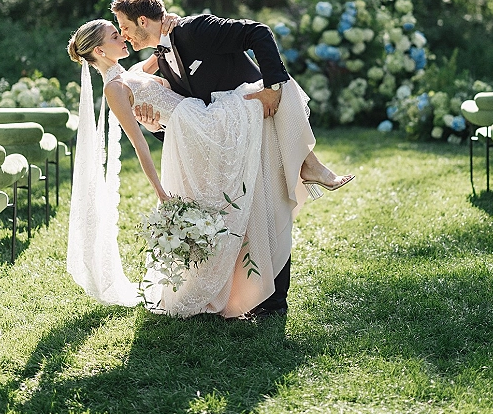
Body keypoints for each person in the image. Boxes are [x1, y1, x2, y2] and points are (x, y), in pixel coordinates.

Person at [66, 17, 353, 320]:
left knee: (271, 91)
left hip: (199, 122)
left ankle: (308, 165)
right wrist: (160, 191)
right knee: (267, 92)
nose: (122, 37)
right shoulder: (114, 88)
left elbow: (162, 50)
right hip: (199, 128)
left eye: (121, 30)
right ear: (99, 51)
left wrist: (169, 25)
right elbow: (138, 144)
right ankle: (310, 165)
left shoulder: (131, 71)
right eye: (114, 36)